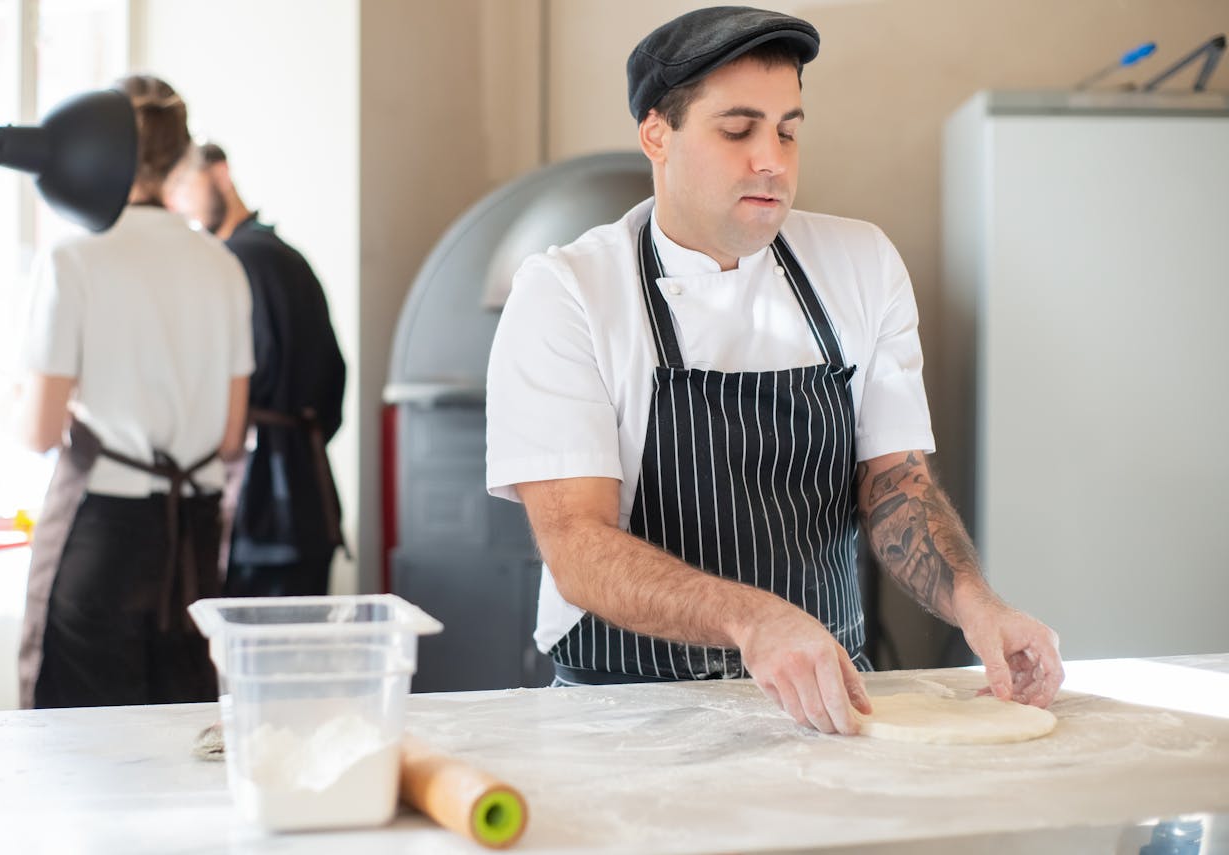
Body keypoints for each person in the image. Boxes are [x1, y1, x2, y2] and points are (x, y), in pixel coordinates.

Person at [485, 7, 1064, 734]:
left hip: (827, 704)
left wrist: (979, 604)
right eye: (738, 130)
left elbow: (897, 486)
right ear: (656, 134)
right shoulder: (569, 291)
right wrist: (751, 618)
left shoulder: (861, 264)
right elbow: (577, 544)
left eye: (788, 130)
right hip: (626, 712)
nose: (773, 160)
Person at [16, 76, 254, 708]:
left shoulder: (76, 258)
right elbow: (232, 441)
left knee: (83, 751)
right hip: (194, 544)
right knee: (181, 743)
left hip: (104, 529)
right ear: (180, 159)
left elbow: (38, 433)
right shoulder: (224, 264)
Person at [165, 142, 346, 597]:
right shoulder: (287, 256)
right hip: (308, 495)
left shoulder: (233, 263)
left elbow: (224, 387)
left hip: (257, 504)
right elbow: (334, 386)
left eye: (187, 183)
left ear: (220, 173)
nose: (182, 202)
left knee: (245, 657)